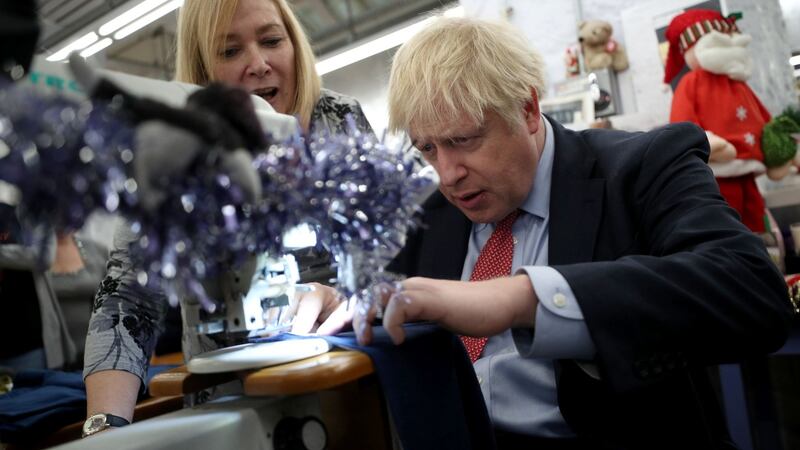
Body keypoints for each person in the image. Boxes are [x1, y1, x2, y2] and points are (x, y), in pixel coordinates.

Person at [293, 17, 794, 449]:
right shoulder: (427, 216)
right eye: (427, 149)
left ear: (528, 110)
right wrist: (340, 300)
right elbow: (396, 302)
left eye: (463, 141)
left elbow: (752, 290)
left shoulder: (642, 168)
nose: (447, 174)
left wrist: (525, 298)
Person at [82, 0, 373, 434]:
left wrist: (342, 294)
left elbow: (390, 262)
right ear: (203, 73)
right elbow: (127, 300)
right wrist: (103, 429)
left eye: (272, 40)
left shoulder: (340, 122)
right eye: (230, 51)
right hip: (233, 404)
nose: (258, 64)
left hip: (355, 389)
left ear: (294, 43)